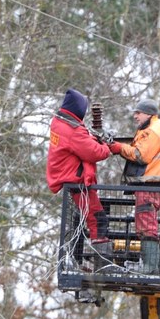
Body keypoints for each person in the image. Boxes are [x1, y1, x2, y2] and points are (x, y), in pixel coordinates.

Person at [46, 88, 113, 260]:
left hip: (70, 180)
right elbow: (94, 152)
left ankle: (81, 259)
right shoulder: (72, 131)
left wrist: (93, 138)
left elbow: (81, 141)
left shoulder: (60, 123)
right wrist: (107, 147)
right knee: (97, 219)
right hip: (77, 182)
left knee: (84, 219)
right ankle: (102, 262)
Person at [108, 99, 160, 274]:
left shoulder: (152, 130)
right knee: (148, 223)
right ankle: (154, 267)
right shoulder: (156, 127)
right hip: (153, 183)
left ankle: (150, 267)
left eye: (138, 113)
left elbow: (140, 155)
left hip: (150, 184)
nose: (135, 116)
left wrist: (118, 147)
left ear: (149, 113)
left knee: (145, 225)